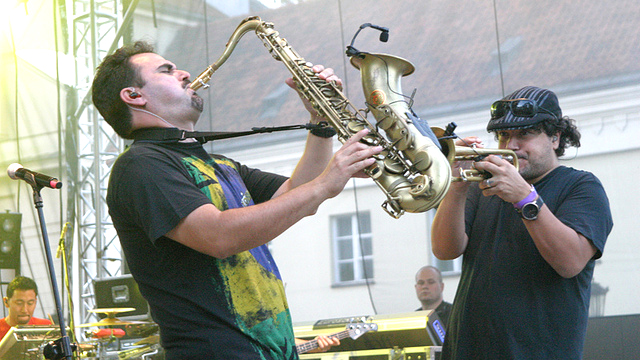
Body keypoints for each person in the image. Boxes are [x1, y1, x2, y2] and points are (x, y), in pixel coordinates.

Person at [91, 41, 382, 360]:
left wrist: (321, 121)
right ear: (134, 96)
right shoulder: (140, 164)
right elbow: (218, 235)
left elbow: (299, 194)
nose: (185, 74)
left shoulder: (221, 165)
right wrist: (327, 181)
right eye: (167, 70)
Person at [431, 86, 613, 360]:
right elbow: (445, 250)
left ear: (555, 137)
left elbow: (571, 262)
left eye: (525, 134)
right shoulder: (483, 187)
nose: (511, 145)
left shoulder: (582, 186)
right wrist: (456, 183)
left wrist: (525, 198)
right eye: (504, 135)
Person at [1, 276, 52, 341]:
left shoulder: (46, 328)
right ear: (6, 302)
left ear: (35, 302)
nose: (24, 310)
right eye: (19, 303)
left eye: (30, 303)